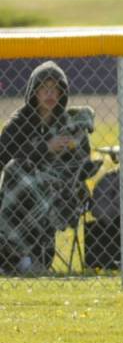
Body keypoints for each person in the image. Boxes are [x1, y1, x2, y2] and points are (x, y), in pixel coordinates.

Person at [0, 61, 98, 273]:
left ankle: (29, 259)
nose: (50, 94)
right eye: (44, 89)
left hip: (59, 188)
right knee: (16, 172)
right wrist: (45, 149)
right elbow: (4, 153)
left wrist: (66, 150)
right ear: (33, 93)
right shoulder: (20, 121)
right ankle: (15, 257)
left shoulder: (68, 124)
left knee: (35, 187)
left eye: (55, 89)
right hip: (23, 187)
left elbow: (81, 161)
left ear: (62, 93)